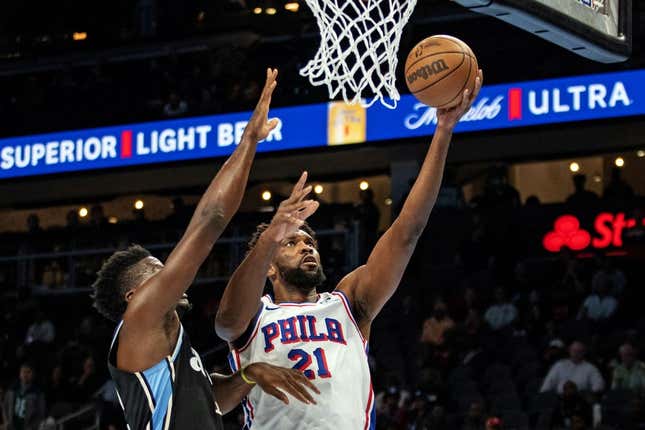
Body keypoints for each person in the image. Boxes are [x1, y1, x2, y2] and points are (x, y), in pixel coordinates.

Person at [214, 71, 484, 428]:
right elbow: (227, 322)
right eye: (292, 243)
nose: (307, 248)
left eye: (310, 242)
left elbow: (407, 231)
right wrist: (272, 235)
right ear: (270, 267)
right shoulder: (255, 316)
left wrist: (443, 132)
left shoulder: (347, 303)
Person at [91, 69, 318, 430]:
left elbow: (211, 402)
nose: (169, 273)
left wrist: (248, 376)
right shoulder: (141, 319)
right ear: (134, 295)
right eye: (157, 270)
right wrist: (249, 142)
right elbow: (210, 221)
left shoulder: (169, 345)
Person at [4, 363, 45, 430]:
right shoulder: (12, 389)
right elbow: (5, 405)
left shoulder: (38, 393)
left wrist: (32, 427)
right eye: (23, 372)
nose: (25, 375)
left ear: (33, 374)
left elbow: (41, 415)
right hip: (11, 426)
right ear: (20, 374)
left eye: (28, 372)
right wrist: (6, 421)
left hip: (27, 427)